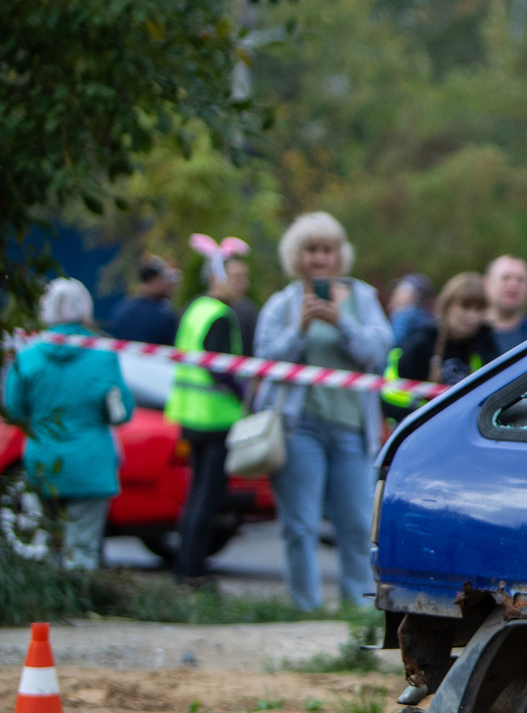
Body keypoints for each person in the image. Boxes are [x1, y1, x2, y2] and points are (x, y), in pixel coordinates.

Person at [255, 212, 393, 612]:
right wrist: (299, 328)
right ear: (296, 256)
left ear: (339, 255)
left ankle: (357, 610)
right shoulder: (282, 303)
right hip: (300, 428)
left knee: (356, 524)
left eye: (327, 250)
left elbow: (378, 352)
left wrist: (340, 323)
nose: (319, 258)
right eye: (311, 250)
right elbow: (265, 360)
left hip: (353, 429)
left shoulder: (362, 298)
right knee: (300, 524)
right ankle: (305, 608)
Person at [3, 280, 132, 570]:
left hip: (42, 462)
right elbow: (122, 412)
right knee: (83, 548)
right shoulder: (103, 353)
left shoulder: (28, 355)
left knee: (48, 545)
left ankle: (48, 597)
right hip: (91, 463)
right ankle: (79, 595)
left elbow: (14, 410)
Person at [171, 237, 254, 584]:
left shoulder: (196, 309)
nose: (243, 284)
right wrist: (245, 395)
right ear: (217, 277)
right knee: (208, 495)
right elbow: (220, 369)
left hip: (190, 415)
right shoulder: (219, 315)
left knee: (196, 493)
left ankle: (186, 564)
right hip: (215, 417)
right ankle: (193, 569)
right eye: (237, 277)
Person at [388, 273, 501, 398]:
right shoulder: (422, 343)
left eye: (478, 309)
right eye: (465, 307)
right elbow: (395, 396)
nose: (472, 316)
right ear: (447, 306)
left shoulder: (485, 345)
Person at [110, 257, 180, 345]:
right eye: (164, 279)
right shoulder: (165, 315)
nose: (170, 285)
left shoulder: (121, 308)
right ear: (153, 280)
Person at [485, 255, 527, 352]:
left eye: (520, 280)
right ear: (486, 283)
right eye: (505, 278)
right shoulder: (466, 336)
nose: (513, 284)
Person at [386, 273, 438, 355]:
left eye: (399, 291)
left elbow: (395, 343)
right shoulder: (428, 318)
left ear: (413, 295)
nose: (394, 295)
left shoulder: (404, 315)